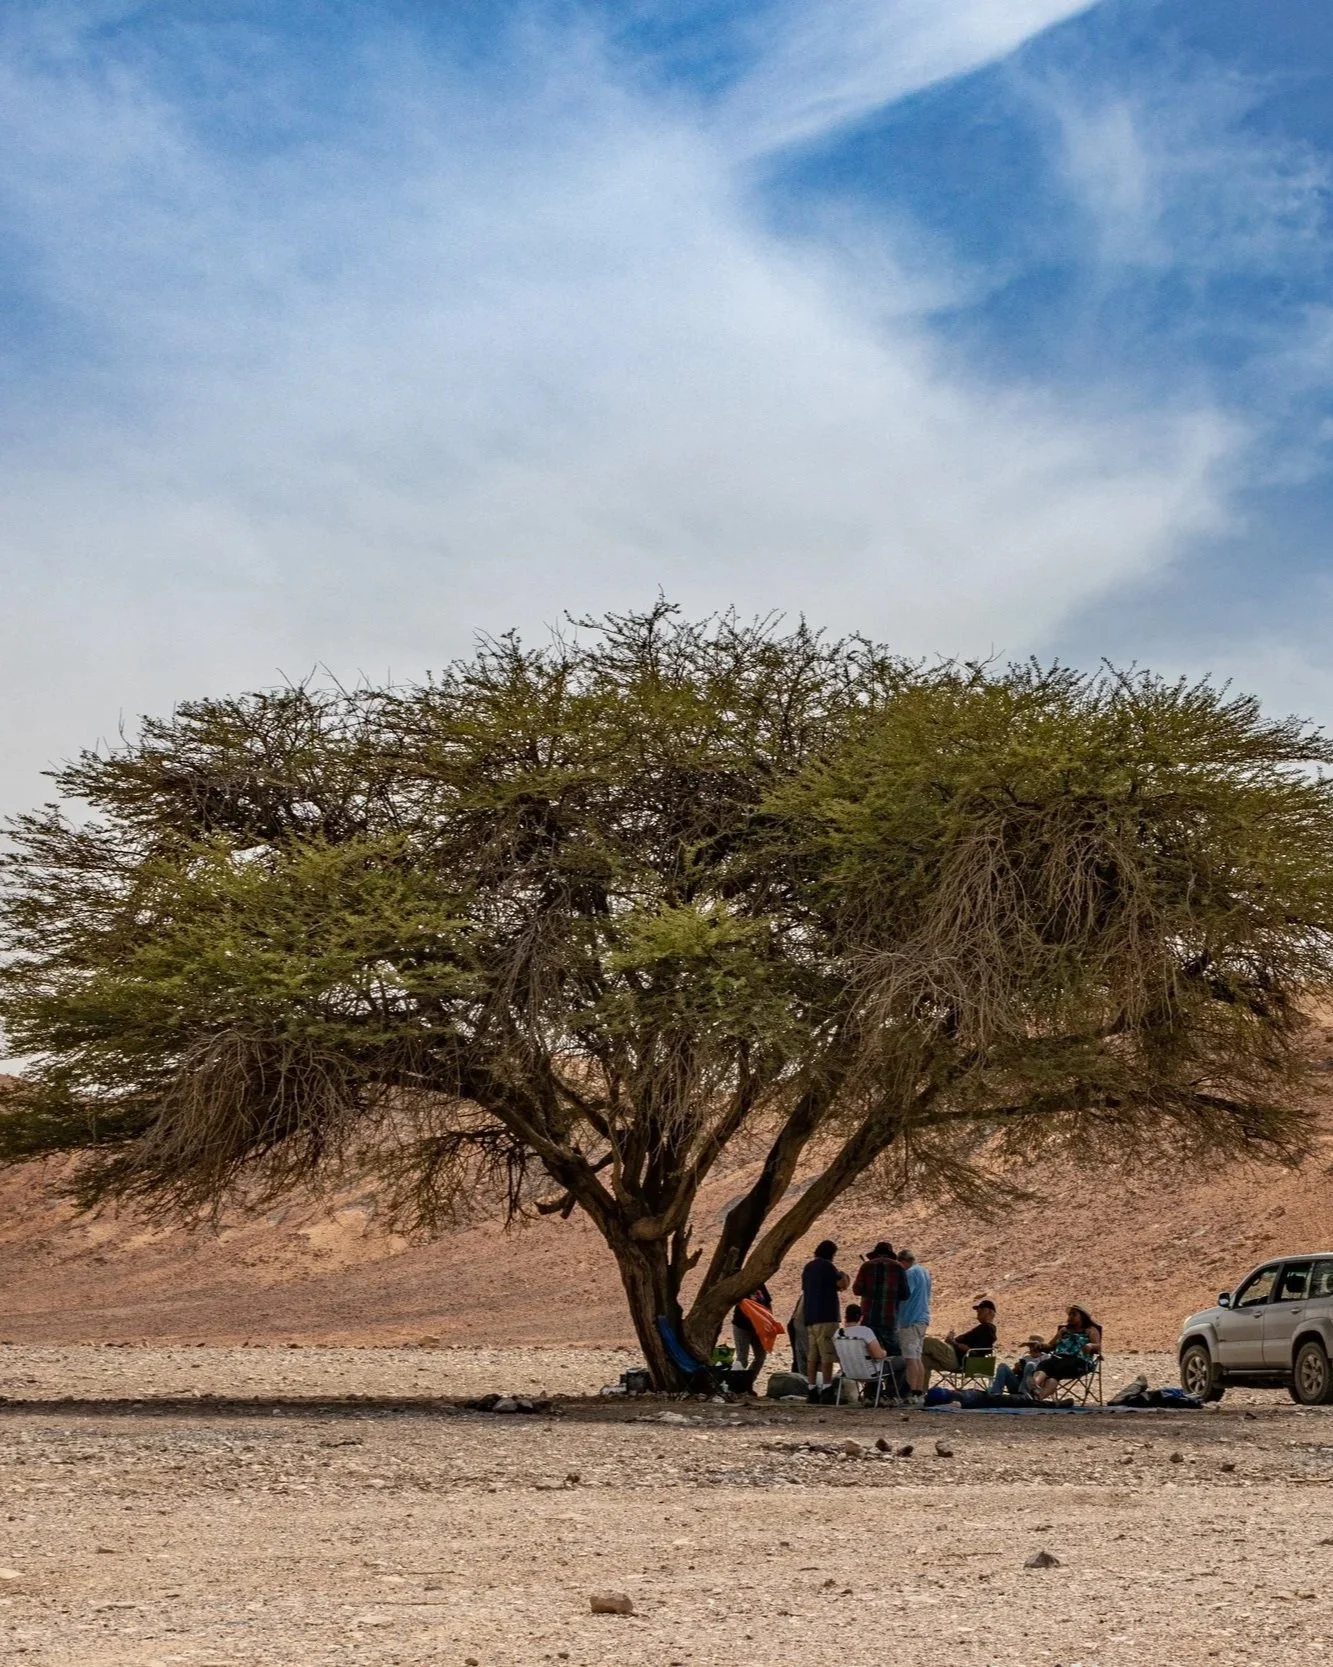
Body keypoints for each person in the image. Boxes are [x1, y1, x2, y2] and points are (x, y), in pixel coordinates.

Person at [801, 1239, 850, 1401]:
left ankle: (812, 1388)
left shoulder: (808, 1267)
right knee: (827, 1354)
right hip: (827, 1316)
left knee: (812, 1356)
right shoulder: (828, 1267)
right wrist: (844, 1275)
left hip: (810, 1317)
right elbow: (841, 1285)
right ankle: (827, 1389)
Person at [922, 1298, 998, 1387]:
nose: (978, 1310)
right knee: (923, 1360)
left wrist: (954, 1343)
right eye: (978, 1309)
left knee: (929, 1342)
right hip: (952, 1355)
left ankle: (904, 1352)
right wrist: (951, 1341)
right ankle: (920, 1393)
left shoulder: (987, 1329)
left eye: (982, 1308)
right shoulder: (982, 1328)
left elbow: (975, 1351)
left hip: (957, 1359)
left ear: (990, 1312)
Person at [1029, 1306, 1102, 1400]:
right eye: (1069, 1314)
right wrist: (1041, 1346)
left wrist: (1091, 1345)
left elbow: (1098, 1346)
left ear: (1082, 1317)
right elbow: (1051, 1345)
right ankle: (1034, 1391)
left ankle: (1038, 1396)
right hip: (1058, 1360)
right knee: (1045, 1365)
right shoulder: (1064, 1330)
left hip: (1079, 1362)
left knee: (1055, 1367)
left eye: (1074, 1314)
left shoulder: (1090, 1330)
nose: (1070, 1317)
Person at [852, 1241, 910, 1356]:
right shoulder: (898, 1267)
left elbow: (856, 1290)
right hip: (888, 1320)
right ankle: (891, 1373)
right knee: (895, 1354)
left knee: (869, 1354)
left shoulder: (866, 1266)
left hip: (868, 1319)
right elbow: (905, 1294)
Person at [834, 1302, 888, 1404]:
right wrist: (885, 1352)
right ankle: (889, 1395)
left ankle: (870, 1396)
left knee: (870, 1363)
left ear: (846, 1317)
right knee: (899, 1363)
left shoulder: (838, 1334)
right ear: (861, 1317)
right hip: (869, 1372)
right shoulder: (865, 1332)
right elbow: (878, 1355)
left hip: (848, 1372)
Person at [895, 1248, 931, 1405]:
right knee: (917, 1357)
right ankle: (918, 1392)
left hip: (910, 1319)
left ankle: (910, 1393)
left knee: (910, 1359)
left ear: (902, 1262)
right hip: (922, 1318)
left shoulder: (909, 1274)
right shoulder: (924, 1272)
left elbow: (904, 1294)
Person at [731, 1283, 775, 1375]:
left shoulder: (760, 1285)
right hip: (742, 1327)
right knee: (742, 1359)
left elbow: (768, 1303)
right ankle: (736, 1385)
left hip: (758, 1328)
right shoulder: (743, 1286)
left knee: (760, 1357)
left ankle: (748, 1382)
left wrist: (770, 1321)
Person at [988, 1333, 1048, 1398]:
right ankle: (995, 1393)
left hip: (1033, 1387)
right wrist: (1016, 1369)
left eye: (1033, 1346)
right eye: (1030, 1346)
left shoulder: (1045, 1357)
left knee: (1030, 1365)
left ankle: (1025, 1393)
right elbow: (1015, 1373)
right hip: (1018, 1384)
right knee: (1002, 1366)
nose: (1031, 1348)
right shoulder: (1026, 1357)